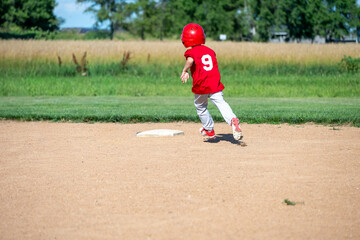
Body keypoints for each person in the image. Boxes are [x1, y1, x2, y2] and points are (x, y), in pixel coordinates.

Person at [180, 23, 242, 141]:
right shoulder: (210, 51)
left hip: (201, 85)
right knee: (221, 103)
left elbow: (190, 60)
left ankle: (209, 129)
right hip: (215, 84)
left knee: (201, 107)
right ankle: (232, 119)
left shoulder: (191, 52)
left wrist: (185, 70)